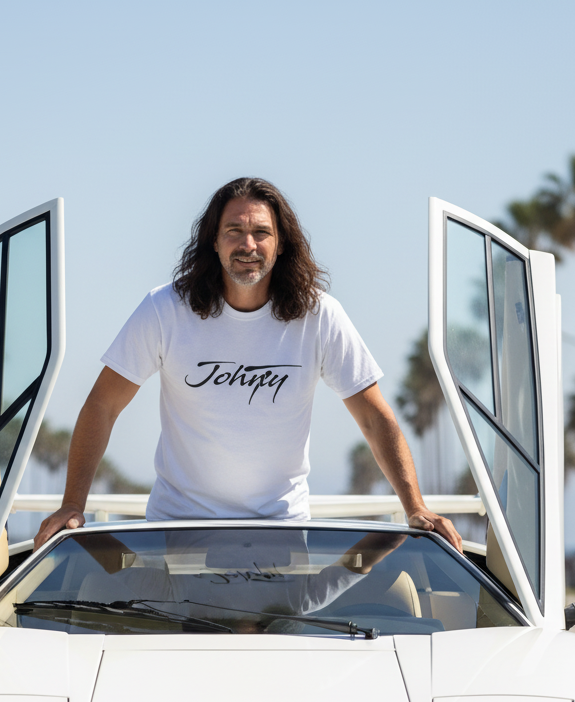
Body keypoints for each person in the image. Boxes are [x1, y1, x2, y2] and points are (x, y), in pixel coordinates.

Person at [34, 177, 462, 552]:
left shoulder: (319, 316)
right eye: (234, 230)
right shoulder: (166, 309)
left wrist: (415, 507)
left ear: (280, 245)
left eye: (261, 232)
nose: (248, 244)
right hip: (177, 534)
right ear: (214, 241)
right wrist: (73, 504)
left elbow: (373, 416)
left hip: (283, 536)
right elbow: (103, 405)